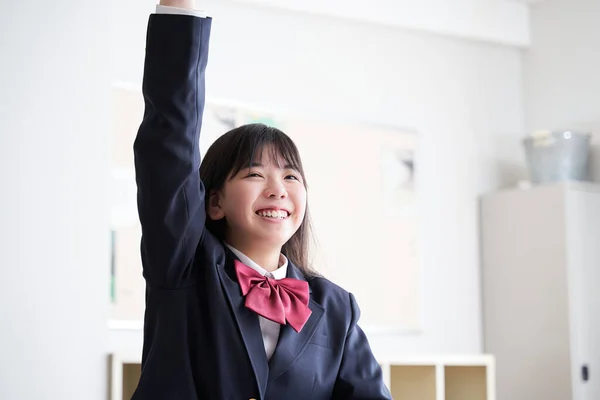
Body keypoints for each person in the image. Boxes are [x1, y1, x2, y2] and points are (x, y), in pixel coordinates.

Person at [131, 1, 392, 399]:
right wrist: (178, 10)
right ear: (213, 202)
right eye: (255, 174)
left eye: (290, 175)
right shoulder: (183, 265)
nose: (278, 189)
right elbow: (170, 139)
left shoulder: (336, 306)